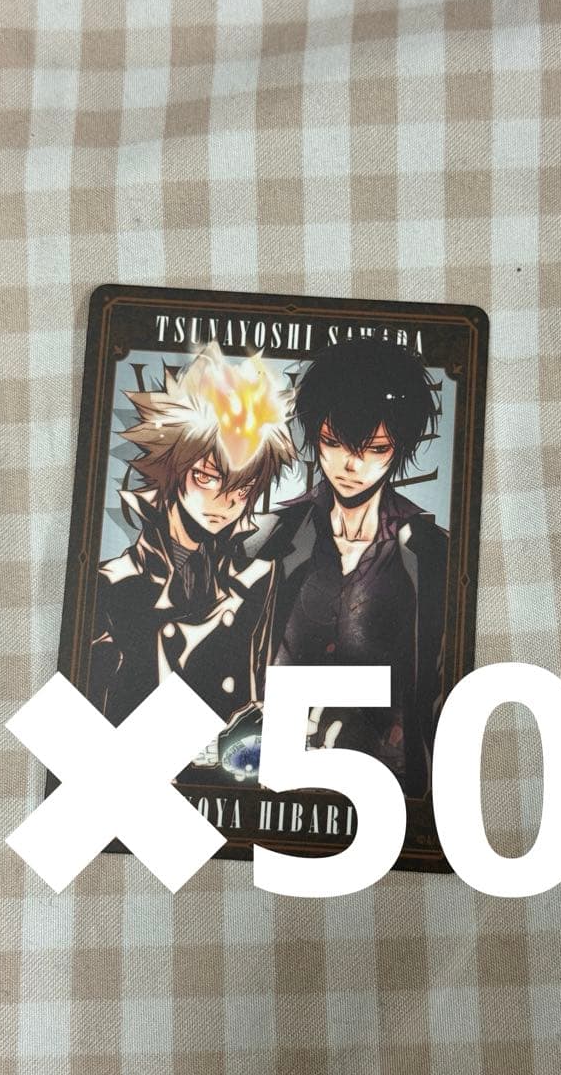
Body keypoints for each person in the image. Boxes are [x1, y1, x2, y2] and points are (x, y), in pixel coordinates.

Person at [247, 337, 450, 799]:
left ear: (400, 446)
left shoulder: (430, 553)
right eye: (332, 442)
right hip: (277, 777)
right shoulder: (272, 537)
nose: (351, 464)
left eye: (375, 448)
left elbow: (440, 684)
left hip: (388, 783)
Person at [88, 344, 296, 772]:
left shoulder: (257, 577)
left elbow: (260, 693)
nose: (225, 503)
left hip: (231, 784)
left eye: (242, 490)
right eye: (206, 478)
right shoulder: (111, 587)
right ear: (172, 465)